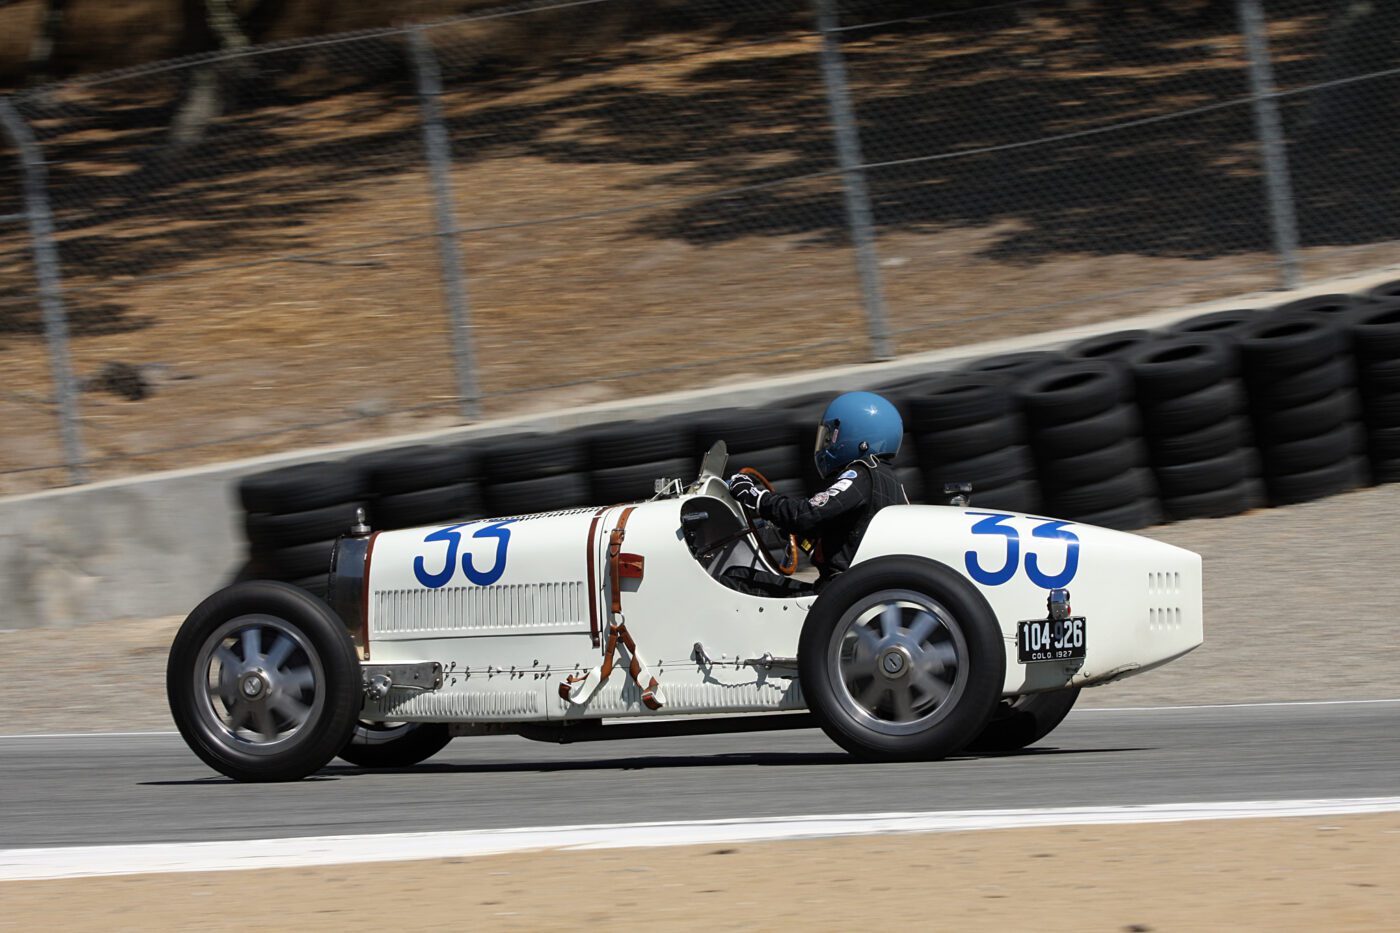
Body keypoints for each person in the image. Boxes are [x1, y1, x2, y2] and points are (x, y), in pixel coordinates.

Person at [728, 391, 908, 586]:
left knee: (734, 578)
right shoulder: (890, 480)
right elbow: (846, 541)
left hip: (839, 594)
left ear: (857, 437)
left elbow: (804, 515)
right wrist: (803, 538)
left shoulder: (861, 475)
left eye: (831, 435)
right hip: (856, 588)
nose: (828, 442)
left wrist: (756, 496)